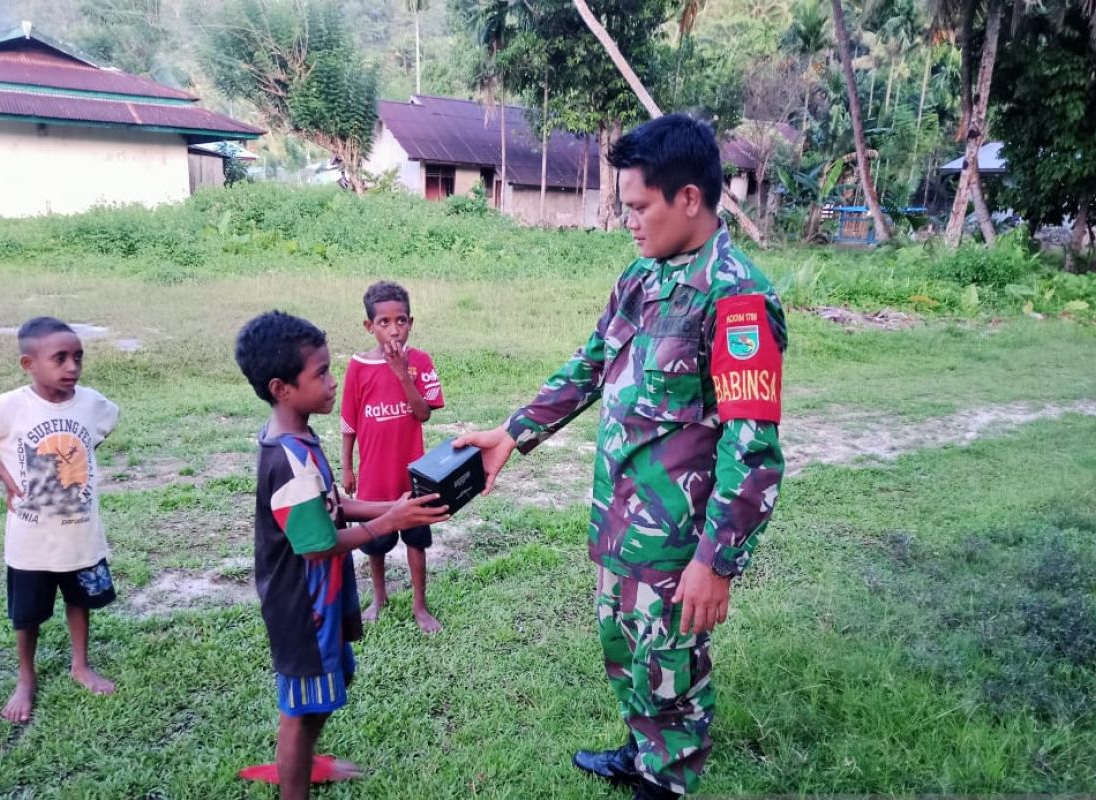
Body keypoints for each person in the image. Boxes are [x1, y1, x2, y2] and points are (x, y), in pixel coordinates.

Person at [455, 115, 787, 800]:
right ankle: (641, 754)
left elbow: (752, 447)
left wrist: (714, 562)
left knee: (669, 670)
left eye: (639, 206)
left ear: (688, 199)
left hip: (676, 540)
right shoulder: (642, 276)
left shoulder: (737, 297)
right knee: (626, 654)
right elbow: (592, 363)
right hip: (621, 518)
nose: (628, 221)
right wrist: (513, 434)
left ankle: (665, 782)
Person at [235, 310, 448, 800]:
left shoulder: (302, 438)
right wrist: (384, 524)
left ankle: (305, 760)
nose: (333, 382)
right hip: (300, 605)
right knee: (301, 708)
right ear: (280, 387)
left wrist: (395, 507)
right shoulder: (288, 459)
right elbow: (319, 545)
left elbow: (335, 506)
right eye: (322, 374)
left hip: (322, 599)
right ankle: (295, 780)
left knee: (327, 687)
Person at [0, 316, 120, 724]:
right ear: (29, 364)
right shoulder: (10, 406)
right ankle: (26, 676)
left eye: (78, 357)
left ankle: (80, 665)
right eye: (60, 358)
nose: (72, 367)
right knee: (27, 615)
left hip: (80, 535)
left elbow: (104, 424)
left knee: (80, 600)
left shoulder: (91, 402)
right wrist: (6, 476)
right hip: (30, 542)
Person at [340, 281, 446, 633]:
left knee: (417, 538)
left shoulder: (419, 362)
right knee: (376, 540)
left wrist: (403, 375)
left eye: (400, 321)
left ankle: (420, 605)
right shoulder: (357, 366)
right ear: (369, 326)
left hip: (413, 472)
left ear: (410, 322)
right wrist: (348, 467)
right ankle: (379, 597)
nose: (393, 329)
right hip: (374, 475)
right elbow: (349, 423)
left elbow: (424, 414)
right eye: (383, 322)